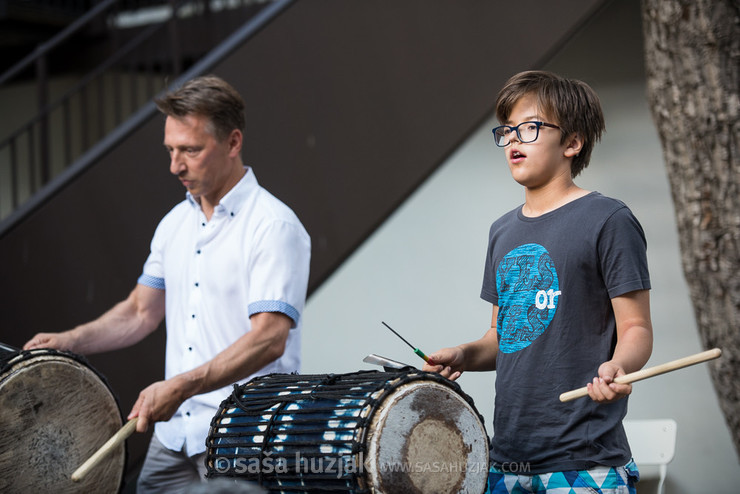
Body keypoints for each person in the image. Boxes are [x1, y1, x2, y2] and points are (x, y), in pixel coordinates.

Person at [24, 75, 311, 493]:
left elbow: (269, 339)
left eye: (191, 150)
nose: (175, 165)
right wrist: (70, 341)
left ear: (233, 143)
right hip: (174, 435)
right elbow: (141, 312)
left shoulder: (273, 226)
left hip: (245, 435)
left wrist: (178, 386)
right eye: (171, 150)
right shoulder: (174, 223)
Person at [423, 71, 652, 494]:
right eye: (507, 130)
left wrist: (620, 366)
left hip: (584, 457)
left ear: (572, 142)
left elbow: (636, 327)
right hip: (508, 457)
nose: (513, 140)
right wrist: (463, 353)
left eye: (529, 128)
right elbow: (501, 336)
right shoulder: (502, 231)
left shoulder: (609, 220)